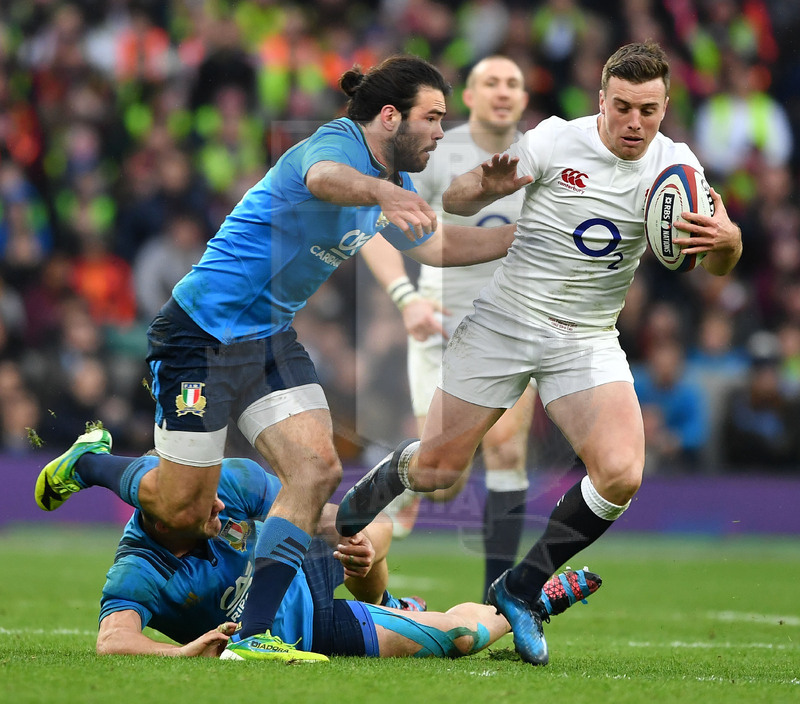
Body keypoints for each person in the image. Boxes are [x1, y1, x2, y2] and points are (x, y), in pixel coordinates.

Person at [336, 41, 743, 666]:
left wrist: (728, 240)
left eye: (651, 111)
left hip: (585, 336)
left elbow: (715, 262)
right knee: (442, 473)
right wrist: (486, 185)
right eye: (624, 107)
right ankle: (395, 471)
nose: (636, 124)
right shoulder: (554, 139)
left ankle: (521, 588)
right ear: (601, 100)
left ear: (667, 106)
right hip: (504, 321)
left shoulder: (677, 168)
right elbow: (460, 199)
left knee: (621, 472)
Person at [134, 56, 520, 661]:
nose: (442, 132)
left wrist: (518, 239)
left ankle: (253, 638)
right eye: (434, 118)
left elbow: (440, 245)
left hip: (266, 339)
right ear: (389, 116)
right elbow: (321, 180)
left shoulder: (395, 182)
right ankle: (92, 466)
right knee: (183, 512)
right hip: (198, 336)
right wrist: (383, 190)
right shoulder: (334, 145)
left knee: (316, 471)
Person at [34, 426, 601, 660]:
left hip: (307, 572)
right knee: (458, 635)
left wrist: (369, 539)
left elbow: (322, 518)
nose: (220, 504)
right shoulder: (138, 567)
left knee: (357, 537)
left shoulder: (226, 481)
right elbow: (114, 641)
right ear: (163, 514)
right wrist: (179, 652)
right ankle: (533, 597)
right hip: (307, 630)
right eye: (201, 504)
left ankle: (384, 582)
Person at [359, 55, 537, 599]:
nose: (502, 91)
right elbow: (372, 229)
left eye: (513, 82)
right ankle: (389, 492)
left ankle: (496, 602)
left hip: (514, 325)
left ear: (525, 98)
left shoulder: (544, 155)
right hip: (443, 332)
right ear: (472, 97)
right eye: (490, 82)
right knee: (442, 479)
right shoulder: (439, 153)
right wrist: (406, 298)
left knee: (507, 450)